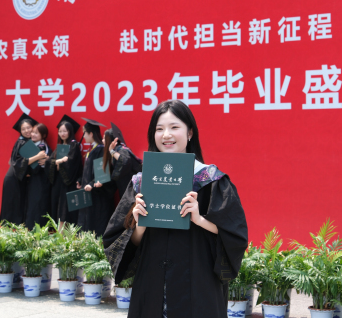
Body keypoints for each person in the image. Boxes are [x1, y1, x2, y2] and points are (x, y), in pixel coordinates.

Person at [103, 100, 248, 318]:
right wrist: (139, 225)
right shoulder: (141, 182)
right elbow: (117, 241)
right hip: (151, 288)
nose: (166, 135)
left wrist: (200, 219)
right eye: (159, 129)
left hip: (198, 288)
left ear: (190, 133)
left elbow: (235, 235)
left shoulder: (211, 180)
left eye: (174, 127)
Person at [0, 113, 45, 225]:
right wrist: (38, 157)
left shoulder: (29, 143)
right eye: (23, 129)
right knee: (11, 208)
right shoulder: (21, 142)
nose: (26, 131)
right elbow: (18, 163)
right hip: (13, 180)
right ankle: (5, 233)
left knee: (18, 208)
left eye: (29, 128)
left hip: (19, 179)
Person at [77, 117, 117, 237]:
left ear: (91, 134)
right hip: (89, 193)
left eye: (85, 132)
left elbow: (103, 172)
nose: (83, 136)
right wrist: (81, 181)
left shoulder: (100, 150)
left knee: (95, 223)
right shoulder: (92, 149)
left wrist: (91, 183)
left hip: (97, 194)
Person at [46, 115, 82, 225]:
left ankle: (64, 233)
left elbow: (71, 164)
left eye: (65, 131)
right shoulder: (60, 146)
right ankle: (58, 231)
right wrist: (59, 161)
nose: (62, 133)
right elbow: (49, 162)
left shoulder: (74, 145)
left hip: (68, 183)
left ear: (70, 131)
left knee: (65, 210)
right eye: (60, 131)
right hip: (58, 182)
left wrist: (58, 164)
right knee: (56, 206)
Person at [103, 123, 142, 200]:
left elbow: (124, 160)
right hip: (127, 189)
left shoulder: (121, 150)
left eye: (104, 138)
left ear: (110, 140)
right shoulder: (118, 150)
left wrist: (111, 151)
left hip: (131, 190)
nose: (103, 141)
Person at [24, 123, 52, 230]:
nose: (33, 134)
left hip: (40, 181)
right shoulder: (32, 146)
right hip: (33, 181)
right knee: (32, 205)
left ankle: (37, 231)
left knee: (38, 206)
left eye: (36, 133)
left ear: (43, 135)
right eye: (32, 132)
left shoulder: (43, 148)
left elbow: (36, 167)